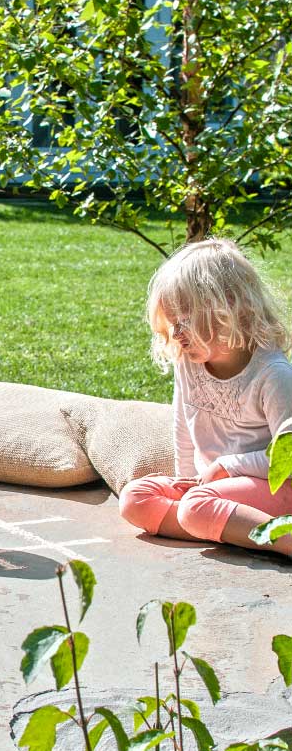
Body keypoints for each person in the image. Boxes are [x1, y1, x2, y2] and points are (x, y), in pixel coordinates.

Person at [119, 237, 292, 557]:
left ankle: (283, 539)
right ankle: (230, 528)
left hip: (276, 488)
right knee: (134, 498)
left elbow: (289, 458)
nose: (177, 335)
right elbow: (183, 427)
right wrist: (186, 478)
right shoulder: (190, 362)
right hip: (211, 488)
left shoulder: (272, 373)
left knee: (195, 507)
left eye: (184, 321)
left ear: (228, 306)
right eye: (172, 325)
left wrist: (228, 467)